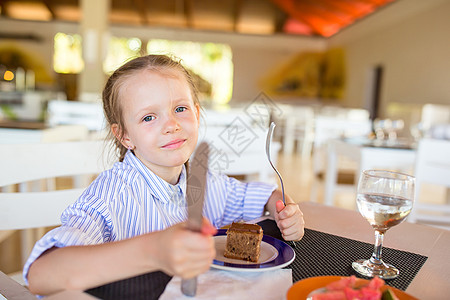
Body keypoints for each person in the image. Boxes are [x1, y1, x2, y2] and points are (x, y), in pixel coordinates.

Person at [25, 54, 304, 296]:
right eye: (149, 117)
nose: (171, 125)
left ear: (196, 113)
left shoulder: (203, 181)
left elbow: (263, 195)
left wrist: (283, 209)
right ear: (124, 136)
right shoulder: (112, 194)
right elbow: (41, 274)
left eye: (180, 109)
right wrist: (154, 250)